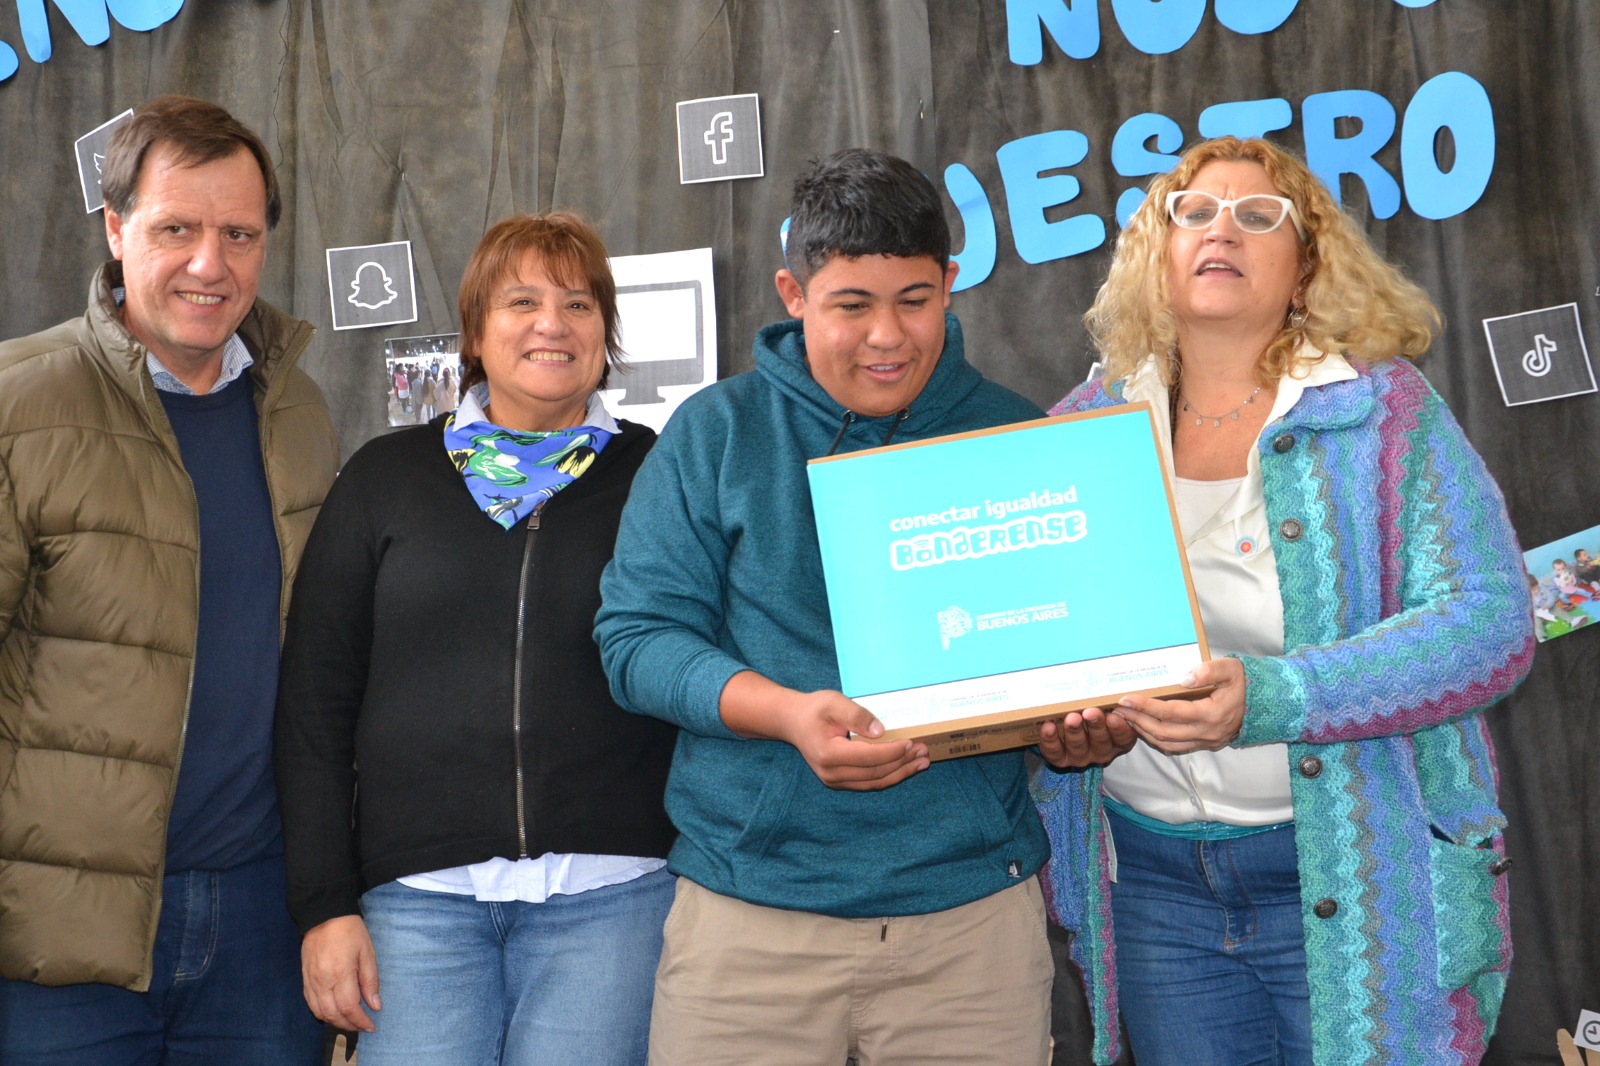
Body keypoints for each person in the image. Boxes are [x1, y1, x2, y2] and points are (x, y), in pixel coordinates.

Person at [595, 147, 1132, 1066]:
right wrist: (786, 714)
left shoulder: (1016, 437)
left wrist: (1081, 733)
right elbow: (637, 640)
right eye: (852, 305)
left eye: (914, 300)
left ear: (950, 284)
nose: (887, 336)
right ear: (793, 294)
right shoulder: (717, 432)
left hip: (971, 923)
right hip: (749, 917)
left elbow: (1066, 657)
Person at [1034, 136, 1536, 1066]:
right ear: (1158, 249)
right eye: (1195, 211)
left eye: (1259, 216)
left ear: (1306, 268)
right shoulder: (1084, 426)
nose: (1222, 229)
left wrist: (1276, 697)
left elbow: (1489, 624)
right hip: (1153, 890)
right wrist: (1069, 736)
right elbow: (1053, 640)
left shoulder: (1380, 412)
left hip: (1359, 873)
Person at [275, 211, 676, 1066]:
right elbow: (313, 708)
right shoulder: (384, 479)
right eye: (521, 301)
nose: (551, 324)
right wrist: (324, 904)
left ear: (605, 333)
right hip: (416, 909)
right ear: (474, 333)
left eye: (578, 304)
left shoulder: (660, 475)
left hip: (615, 902)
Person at [0, 95, 337, 1063]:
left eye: (240, 234)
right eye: (176, 229)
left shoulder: (299, 409)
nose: (209, 264)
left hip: (262, 927)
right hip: (59, 937)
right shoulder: (19, 403)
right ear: (116, 230)